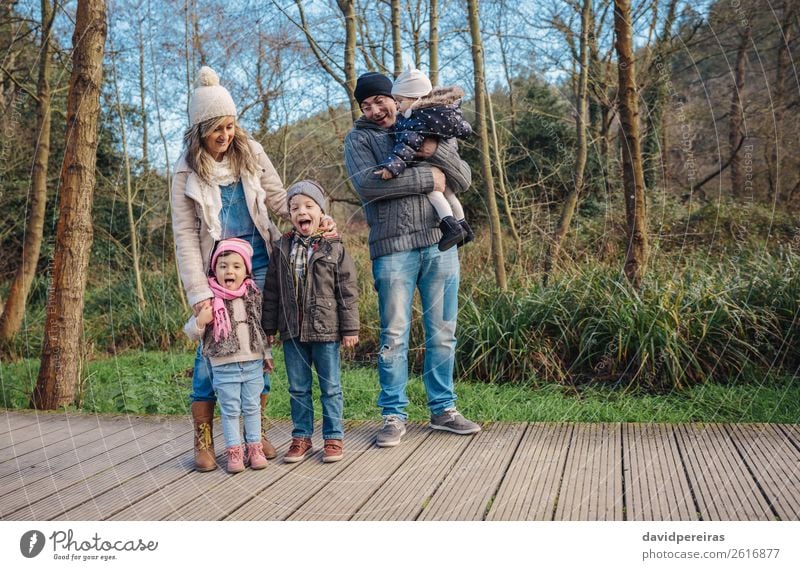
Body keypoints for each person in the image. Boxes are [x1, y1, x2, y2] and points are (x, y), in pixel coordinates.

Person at [171, 66, 335, 471]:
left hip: (258, 264)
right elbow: (185, 238)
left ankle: (253, 431)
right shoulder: (185, 171)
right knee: (213, 349)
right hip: (216, 272)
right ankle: (204, 437)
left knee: (256, 344)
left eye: (230, 126)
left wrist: (314, 215)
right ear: (199, 132)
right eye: (216, 130)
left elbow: (280, 199)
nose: (226, 136)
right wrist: (199, 295)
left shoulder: (252, 152)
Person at [343, 71, 481, 448]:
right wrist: (429, 179)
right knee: (393, 336)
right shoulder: (359, 139)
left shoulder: (429, 121)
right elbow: (369, 184)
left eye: (379, 101)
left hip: (441, 243)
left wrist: (434, 154)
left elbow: (464, 178)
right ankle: (393, 415)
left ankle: (443, 410)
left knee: (443, 332)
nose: (374, 110)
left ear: (396, 98)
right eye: (365, 105)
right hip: (392, 249)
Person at [262, 181, 360, 464]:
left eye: (308, 206)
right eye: (294, 208)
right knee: (298, 388)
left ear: (320, 212)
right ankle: (301, 437)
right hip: (292, 331)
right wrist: (270, 327)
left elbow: (347, 289)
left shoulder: (333, 247)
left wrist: (350, 328)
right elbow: (272, 292)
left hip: (326, 330)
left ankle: (333, 437)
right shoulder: (281, 247)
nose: (300, 211)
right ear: (290, 215)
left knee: (330, 387)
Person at [184, 239, 272, 473]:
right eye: (223, 266)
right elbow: (191, 332)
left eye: (236, 266)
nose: (229, 271)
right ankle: (234, 451)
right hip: (224, 367)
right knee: (231, 409)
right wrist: (201, 322)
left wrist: (267, 355)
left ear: (246, 271)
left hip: (252, 363)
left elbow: (260, 330)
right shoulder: (211, 300)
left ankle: (254, 447)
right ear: (215, 270)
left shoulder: (253, 295)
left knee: (252, 407)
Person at [374, 67, 474, 251]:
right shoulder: (438, 111)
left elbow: (407, 146)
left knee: (433, 191)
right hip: (446, 161)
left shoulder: (416, 118)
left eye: (399, 101)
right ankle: (464, 227)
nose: (397, 106)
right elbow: (463, 129)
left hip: (431, 164)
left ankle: (451, 226)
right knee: (449, 194)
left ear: (414, 97)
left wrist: (392, 167)